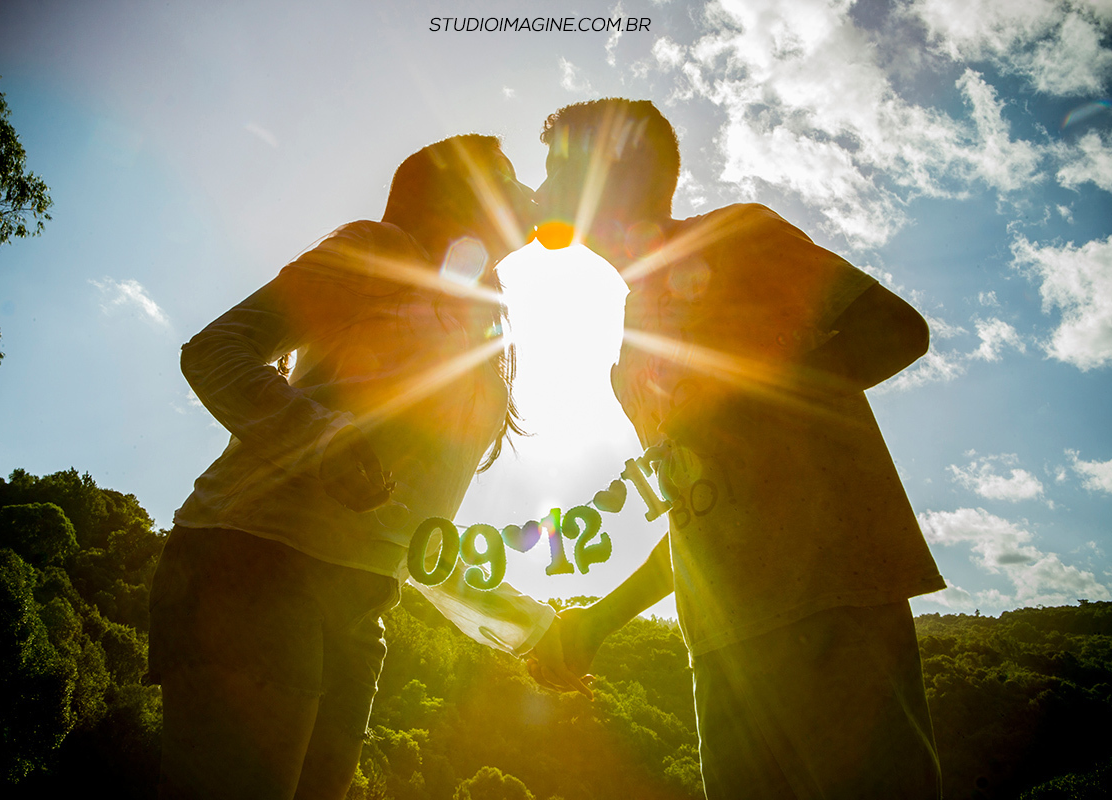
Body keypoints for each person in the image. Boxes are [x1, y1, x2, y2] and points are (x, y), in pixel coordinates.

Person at [528, 99, 948, 799]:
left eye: (557, 171)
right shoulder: (628, 354)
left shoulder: (738, 237)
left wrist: (751, 396)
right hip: (720, 651)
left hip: (832, 605)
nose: (541, 192)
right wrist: (596, 623)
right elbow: (694, 513)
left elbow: (898, 330)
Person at [148, 134, 585, 800]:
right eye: (505, 176)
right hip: (252, 560)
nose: (525, 191)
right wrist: (322, 438)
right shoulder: (379, 250)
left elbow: (412, 526)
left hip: (361, 604)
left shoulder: (485, 335)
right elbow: (215, 349)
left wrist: (529, 625)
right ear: (454, 193)